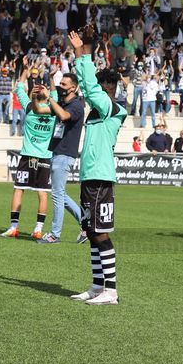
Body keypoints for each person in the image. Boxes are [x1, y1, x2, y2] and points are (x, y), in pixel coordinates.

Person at [67, 28, 127, 305]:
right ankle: (96, 286)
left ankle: (111, 291)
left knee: (101, 232)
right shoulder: (97, 110)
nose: (94, 94)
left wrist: (83, 52)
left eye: (101, 90)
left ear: (108, 90)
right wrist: (81, 55)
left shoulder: (113, 108)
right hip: (89, 176)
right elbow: (89, 87)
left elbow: (90, 86)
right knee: (90, 232)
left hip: (102, 178)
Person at [1, 67, 56, 240]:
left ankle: (14, 227)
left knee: (19, 189)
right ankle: (38, 229)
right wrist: (52, 80)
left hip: (27, 155)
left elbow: (18, 88)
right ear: (46, 96)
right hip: (45, 156)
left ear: (33, 95)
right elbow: (55, 95)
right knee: (42, 193)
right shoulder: (53, 110)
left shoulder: (30, 108)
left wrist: (24, 70)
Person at [39, 72, 87, 244]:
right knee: (60, 195)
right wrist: (51, 82)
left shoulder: (76, 106)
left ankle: (54, 234)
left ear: (74, 88)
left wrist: (49, 98)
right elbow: (40, 109)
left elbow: (64, 116)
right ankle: (86, 225)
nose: (61, 87)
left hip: (65, 155)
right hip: (58, 153)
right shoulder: (63, 103)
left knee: (57, 195)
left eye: (64, 85)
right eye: (61, 84)